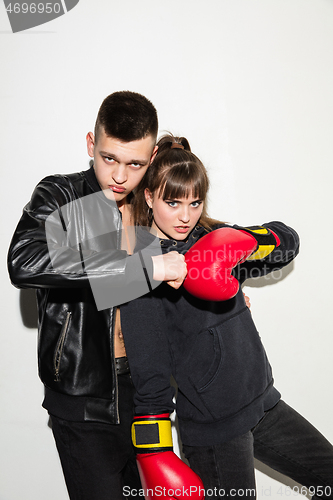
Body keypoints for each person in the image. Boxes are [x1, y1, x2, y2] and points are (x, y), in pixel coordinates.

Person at [120, 134, 333, 499]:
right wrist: (155, 453)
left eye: (195, 202)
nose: (186, 216)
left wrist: (242, 240)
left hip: (264, 403)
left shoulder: (213, 238)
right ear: (150, 197)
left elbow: (288, 243)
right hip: (215, 431)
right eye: (173, 202)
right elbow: (150, 378)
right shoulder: (144, 272)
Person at [7, 92, 188, 500]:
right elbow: (24, 262)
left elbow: (208, 247)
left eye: (136, 164)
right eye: (109, 159)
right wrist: (142, 269)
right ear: (91, 143)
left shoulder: (151, 206)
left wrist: (225, 293)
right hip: (82, 396)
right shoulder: (62, 195)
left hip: (147, 394)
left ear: (153, 155)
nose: (120, 176)